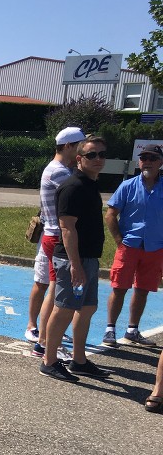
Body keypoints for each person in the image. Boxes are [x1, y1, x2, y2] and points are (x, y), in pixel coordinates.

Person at [39, 135, 112, 382]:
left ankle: (79, 360)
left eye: (102, 154)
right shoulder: (73, 187)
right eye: (92, 155)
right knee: (64, 309)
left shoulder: (91, 184)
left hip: (89, 258)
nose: (98, 159)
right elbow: (67, 228)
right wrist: (76, 265)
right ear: (79, 159)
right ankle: (49, 361)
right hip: (73, 260)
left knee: (88, 308)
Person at [27, 126, 85, 359]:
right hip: (57, 235)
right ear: (69, 146)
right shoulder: (59, 172)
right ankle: (45, 341)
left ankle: (45, 338)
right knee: (56, 290)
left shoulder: (60, 169)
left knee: (52, 287)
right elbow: (79, 194)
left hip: (54, 234)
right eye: (82, 148)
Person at [101, 143, 163, 348]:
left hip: (155, 248)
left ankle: (132, 330)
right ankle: (110, 329)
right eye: (144, 158)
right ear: (139, 162)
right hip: (129, 246)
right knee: (119, 288)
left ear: (160, 163)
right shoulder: (127, 186)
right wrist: (119, 240)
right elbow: (110, 215)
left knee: (143, 289)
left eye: (153, 158)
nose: (148, 162)